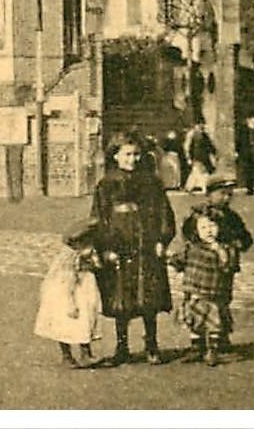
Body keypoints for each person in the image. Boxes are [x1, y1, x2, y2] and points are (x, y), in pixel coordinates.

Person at [90, 134, 175, 366]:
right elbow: (99, 218)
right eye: (127, 154)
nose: (133, 159)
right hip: (120, 246)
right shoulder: (106, 184)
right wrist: (105, 247)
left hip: (146, 244)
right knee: (121, 298)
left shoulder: (152, 182)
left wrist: (162, 239)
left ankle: (152, 345)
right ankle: (122, 346)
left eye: (136, 154)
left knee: (149, 296)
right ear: (115, 156)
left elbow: (164, 212)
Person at [179, 177, 252, 347]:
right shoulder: (198, 214)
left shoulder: (232, 218)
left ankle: (220, 336)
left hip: (222, 268)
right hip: (200, 267)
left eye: (229, 195)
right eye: (222, 194)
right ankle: (197, 340)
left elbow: (245, 238)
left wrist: (235, 245)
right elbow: (188, 233)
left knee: (221, 302)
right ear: (209, 195)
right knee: (196, 303)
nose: (226, 198)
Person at [170, 210, 239, 366]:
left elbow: (229, 266)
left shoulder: (226, 248)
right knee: (195, 322)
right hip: (194, 293)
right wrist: (172, 260)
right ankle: (196, 348)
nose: (208, 231)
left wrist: (221, 252)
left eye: (212, 226)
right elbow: (179, 261)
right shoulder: (191, 247)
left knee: (213, 323)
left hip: (214, 294)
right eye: (203, 227)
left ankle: (213, 350)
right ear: (195, 230)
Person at [33, 219, 103, 369]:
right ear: (77, 244)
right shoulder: (69, 259)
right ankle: (67, 356)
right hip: (67, 292)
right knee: (66, 322)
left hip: (83, 289)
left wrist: (94, 261)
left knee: (86, 320)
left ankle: (86, 354)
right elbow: (68, 281)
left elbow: (97, 265)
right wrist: (70, 302)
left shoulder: (86, 255)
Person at [235, 113, 254, 196]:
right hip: (247, 152)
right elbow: (238, 141)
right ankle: (250, 188)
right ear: (247, 120)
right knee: (248, 171)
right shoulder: (243, 129)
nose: (253, 121)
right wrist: (237, 151)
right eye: (252, 119)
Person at [184, 123, 217, 194]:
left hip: (200, 157)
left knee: (197, 172)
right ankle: (202, 187)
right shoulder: (196, 135)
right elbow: (189, 147)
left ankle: (190, 186)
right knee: (200, 172)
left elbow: (209, 145)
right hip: (199, 157)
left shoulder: (199, 135)